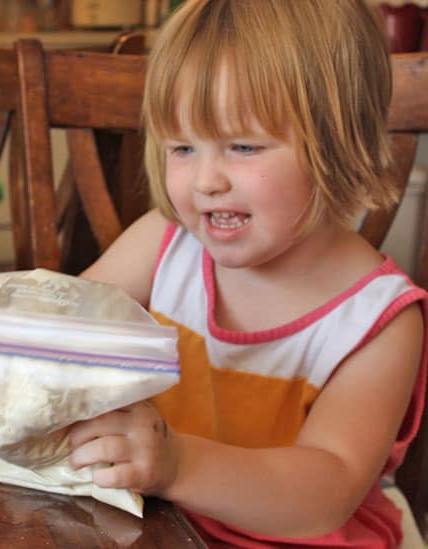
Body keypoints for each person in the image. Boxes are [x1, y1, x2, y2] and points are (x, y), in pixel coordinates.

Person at [68, 0, 428, 546]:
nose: (207, 180)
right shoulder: (166, 244)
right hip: (161, 524)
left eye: (242, 146)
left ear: (337, 141)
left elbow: (325, 493)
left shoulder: (378, 321)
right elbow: (60, 322)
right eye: (183, 147)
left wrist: (178, 463)